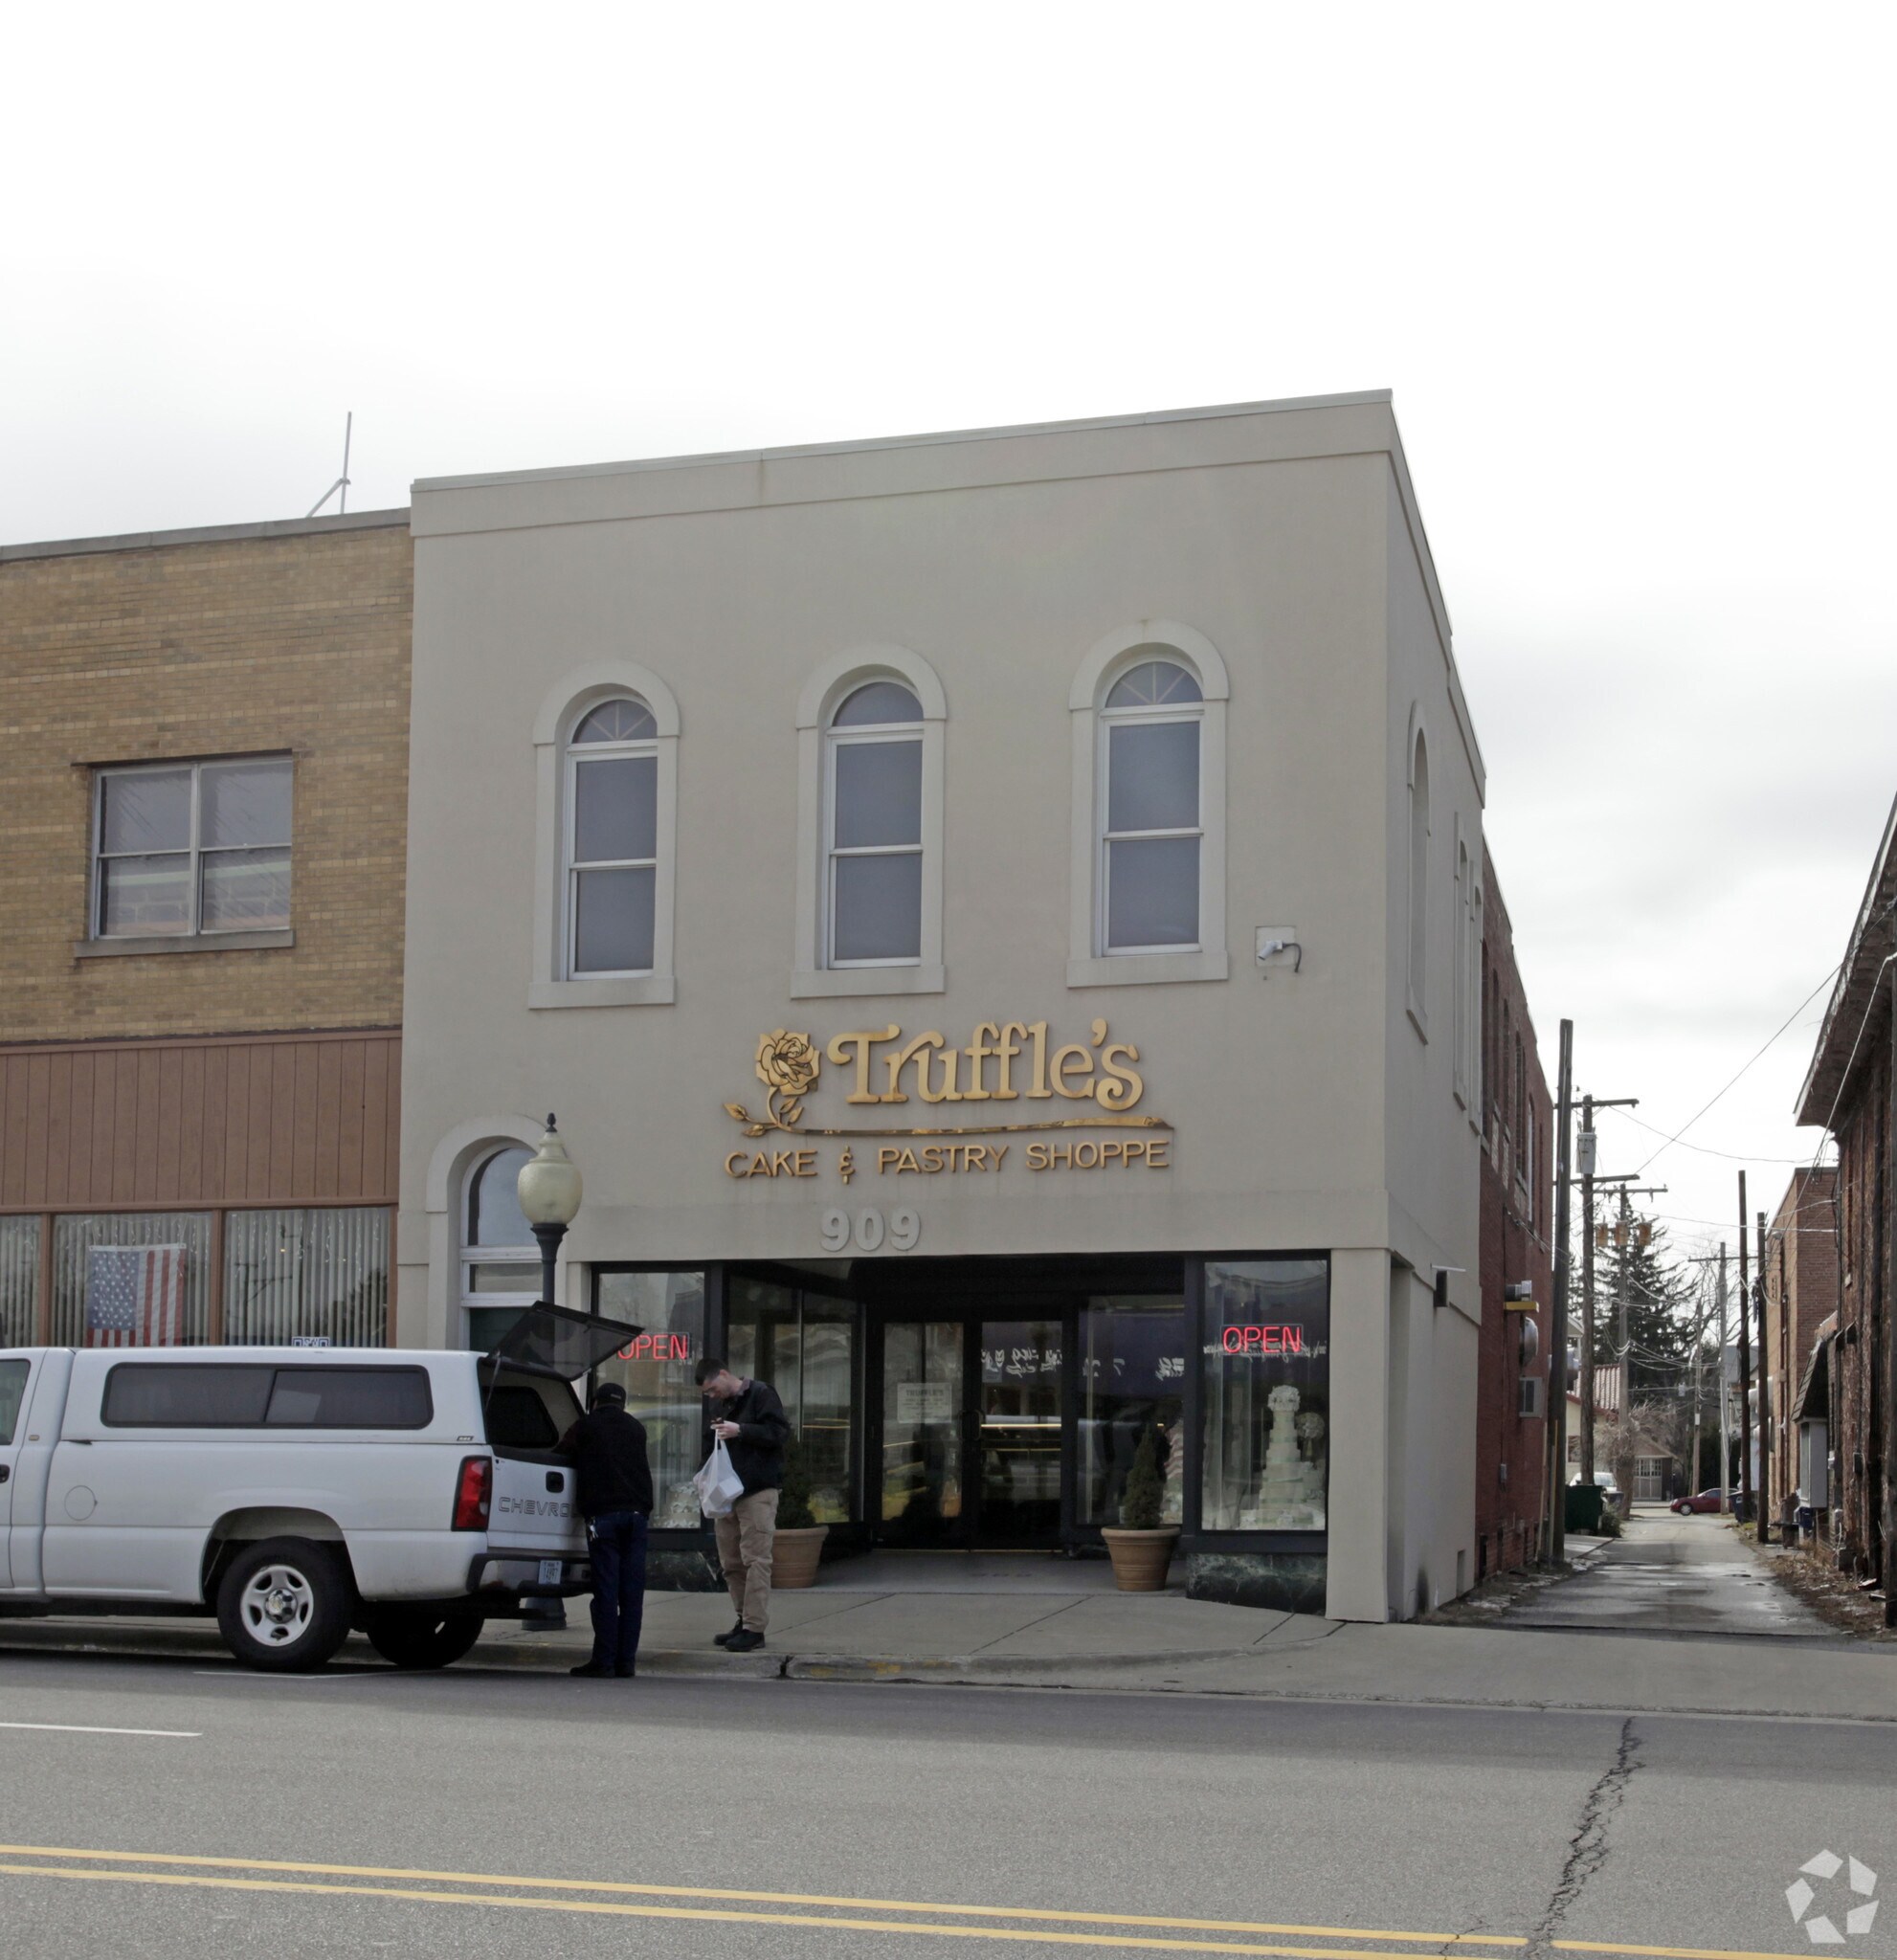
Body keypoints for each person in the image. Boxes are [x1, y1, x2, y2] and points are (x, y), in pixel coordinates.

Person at [556, 1380, 653, 1679]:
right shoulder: (637, 1428)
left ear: (595, 1402)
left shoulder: (586, 1426)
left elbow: (561, 1451)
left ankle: (604, 1661)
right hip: (636, 1516)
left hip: (604, 1517)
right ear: (623, 1404)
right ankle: (626, 1662)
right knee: (632, 1593)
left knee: (606, 1591)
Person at [695, 1357, 791, 1653]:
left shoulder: (762, 1394)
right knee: (731, 1564)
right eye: (708, 1394)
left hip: (757, 1490)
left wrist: (742, 1430)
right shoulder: (719, 1406)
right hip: (727, 1494)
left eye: (713, 1389)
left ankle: (754, 1627)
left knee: (756, 1560)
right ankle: (742, 1619)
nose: (713, 1396)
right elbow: (710, 1445)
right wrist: (703, 1476)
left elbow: (779, 1433)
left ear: (724, 1374)